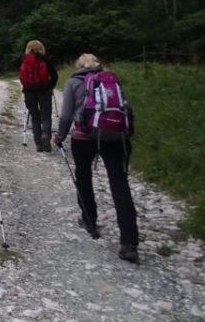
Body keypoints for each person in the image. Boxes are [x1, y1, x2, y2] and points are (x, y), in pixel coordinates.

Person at [54, 53, 140, 263]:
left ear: (78, 66)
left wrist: (60, 136)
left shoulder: (73, 82)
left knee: (83, 177)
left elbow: (66, 115)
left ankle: (89, 220)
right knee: (119, 184)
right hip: (116, 137)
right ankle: (129, 242)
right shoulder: (110, 79)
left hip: (84, 138)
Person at [19, 39, 58, 152]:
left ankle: (38, 144)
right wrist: (50, 86)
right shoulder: (45, 60)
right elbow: (54, 76)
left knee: (35, 117)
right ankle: (46, 135)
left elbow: (22, 77)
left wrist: (26, 87)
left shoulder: (24, 60)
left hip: (29, 92)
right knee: (46, 116)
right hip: (44, 90)